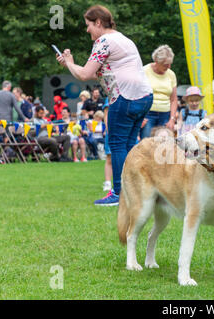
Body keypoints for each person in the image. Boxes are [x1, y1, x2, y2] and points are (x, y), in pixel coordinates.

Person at [57, 4, 153, 206]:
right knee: (129, 145)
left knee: (117, 145)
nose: (87, 30)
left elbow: (84, 74)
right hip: (144, 96)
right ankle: (136, 191)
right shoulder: (123, 39)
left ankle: (118, 194)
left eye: (88, 25)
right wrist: (69, 63)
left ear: (98, 22)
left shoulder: (104, 41)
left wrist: (69, 62)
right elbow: (89, 73)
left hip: (124, 97)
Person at [140, 45, 178, 138]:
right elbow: (137, 96)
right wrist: (140, 117)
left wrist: (172, 119)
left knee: (164, 146)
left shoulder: (171, 74)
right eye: (166, 64)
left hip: (165, 115)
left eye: (170, 64)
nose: (169, 67)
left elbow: (173, 99)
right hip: (147, 114)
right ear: (157, 61)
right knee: (147, 144)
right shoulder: (144, 71)